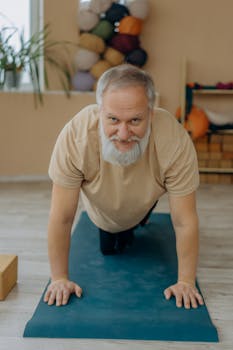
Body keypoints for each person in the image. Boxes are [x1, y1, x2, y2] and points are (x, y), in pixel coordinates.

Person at [44, 64, 204, 310]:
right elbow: (62, 216)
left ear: (151, 113)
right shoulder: (77, 136)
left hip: (144, 195)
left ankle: (140, 217)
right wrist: (59, 279)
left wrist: (186, 281)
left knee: (140, 214)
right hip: (103, 211)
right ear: (100, 112)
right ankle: (123, 228)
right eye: (113, 119)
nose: (123, 133)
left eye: (135, 120)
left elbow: (184, 220)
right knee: (111, 247)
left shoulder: (174, 139)